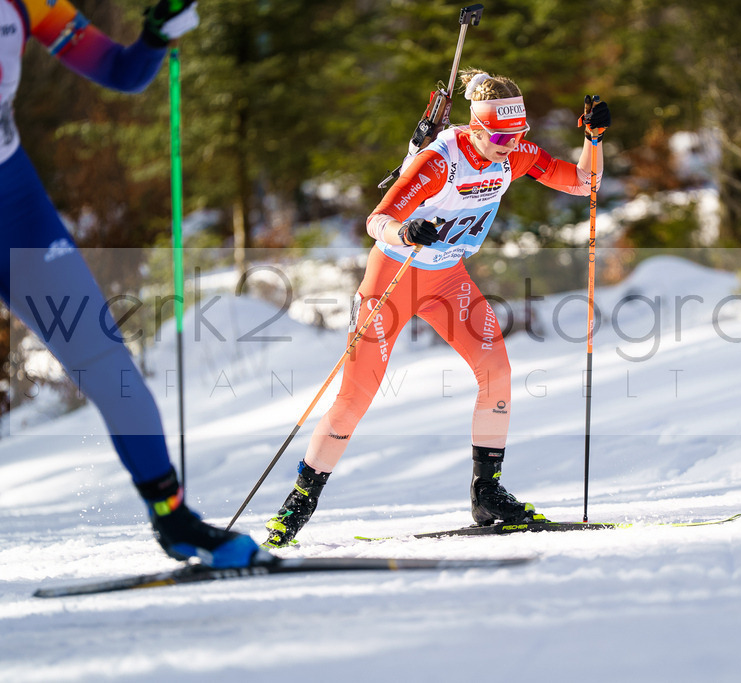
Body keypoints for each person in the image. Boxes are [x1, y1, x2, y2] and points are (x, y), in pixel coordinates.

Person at [264, 69, 611, 548]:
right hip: (394, 280)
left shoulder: (516, 155)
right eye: (501, 136)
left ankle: (486, 494)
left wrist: (593, 139)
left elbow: (584, 182)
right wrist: (403, 233)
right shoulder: (439, 161)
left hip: (447, 279)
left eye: (519, 135)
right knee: (356, 396)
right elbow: (377, 219)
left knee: (497, 371)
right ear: (476, 128)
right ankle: (296, 507)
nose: (511, 145)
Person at [1, 0, 264, 567]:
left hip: (14, 205)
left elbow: (120, 71)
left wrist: (155, 34)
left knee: (105, 359)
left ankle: (173, 518)